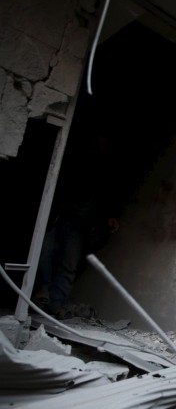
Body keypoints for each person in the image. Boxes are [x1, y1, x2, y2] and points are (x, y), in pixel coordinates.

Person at [33, 132, 120, 318]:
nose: (100, 144)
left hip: (80, 222)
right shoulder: (73, 157)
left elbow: (105, 192)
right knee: (43, 253)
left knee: (69, 263)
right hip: (56, 213)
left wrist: (109, 215)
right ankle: (43, 291)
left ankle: (55, 305)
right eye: (98, 140)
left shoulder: (103, 166)